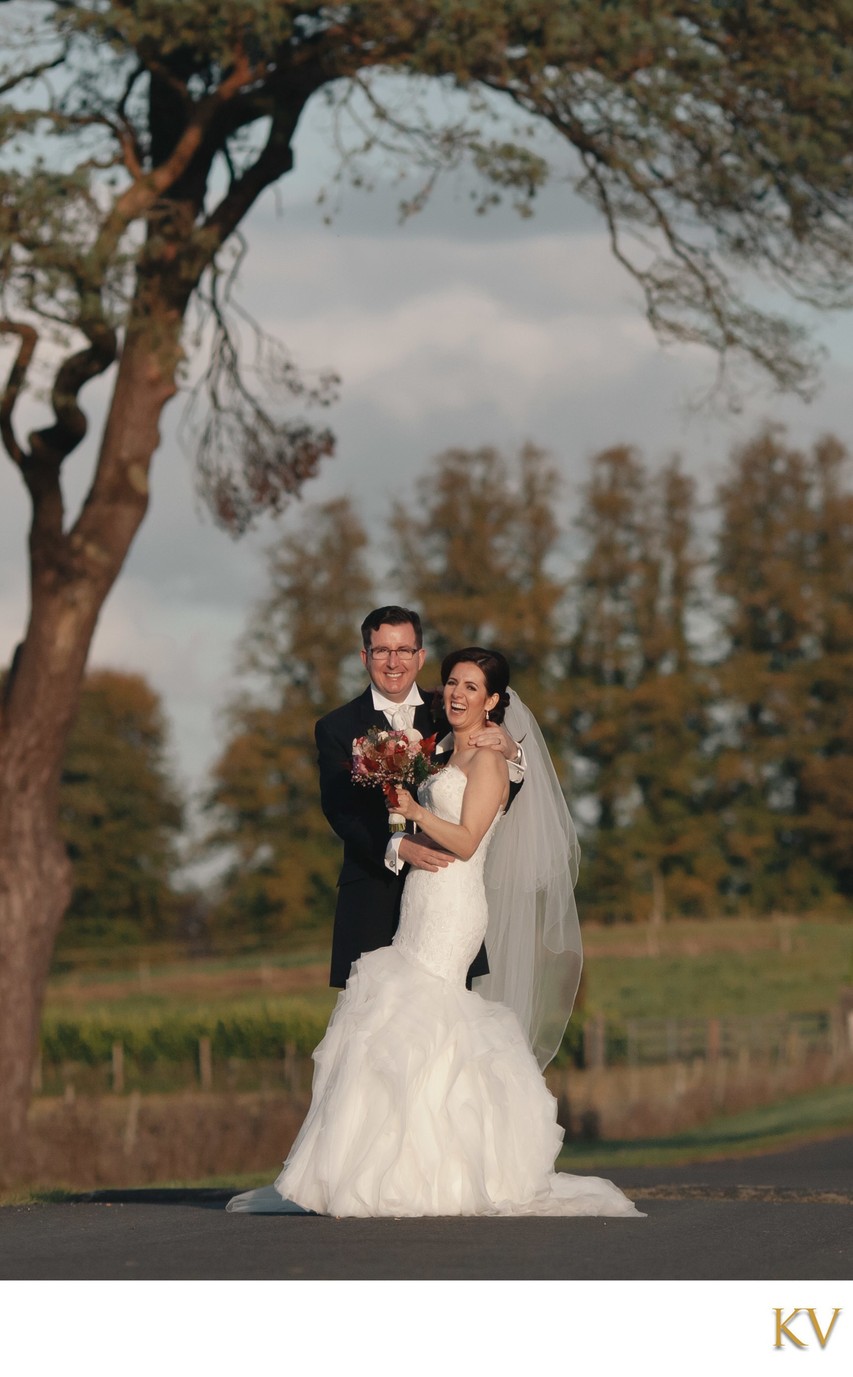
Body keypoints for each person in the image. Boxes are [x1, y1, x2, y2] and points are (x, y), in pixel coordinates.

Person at [227, 647, 642, 1219]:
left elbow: (470, 840)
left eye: (472, 687)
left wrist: (414, 810)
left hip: (453, 904)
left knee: (429, 1018)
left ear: (494, 702)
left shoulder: (494, 757)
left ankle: (440, 1172)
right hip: (419, 900)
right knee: (398, 1025)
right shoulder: (442, 746)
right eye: (451, 683)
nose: (456, 694)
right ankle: (386, 1171)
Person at [315, 606, 524, 990]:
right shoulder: (335, 728)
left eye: (404, 650)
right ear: (365, 656)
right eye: (382, 651)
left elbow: (495, 793)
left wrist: (513, 753)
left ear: (420, 656)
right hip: (372, 899)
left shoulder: (451, 712)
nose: (394, 662)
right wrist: (398, 844)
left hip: (444, 903)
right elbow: (341, 811)